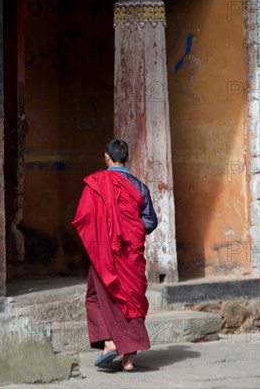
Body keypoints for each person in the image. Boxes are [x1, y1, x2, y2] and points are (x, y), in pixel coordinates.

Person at [72, 139, 158, 372]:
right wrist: (129, 227)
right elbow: (150, 221)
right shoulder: (139, 187)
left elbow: (84, 216)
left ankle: (109, 342)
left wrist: (105, 231)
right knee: (131, 299)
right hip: (131, 255)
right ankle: (128, 360)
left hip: (105, 252)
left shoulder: (96, 184)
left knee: (98, 297)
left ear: (107, 158)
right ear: (126, 158)